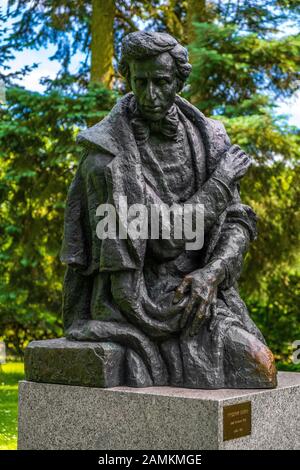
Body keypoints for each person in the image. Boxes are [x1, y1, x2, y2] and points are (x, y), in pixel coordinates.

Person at [60, 32, 277, 388]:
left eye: (161, 82)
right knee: (255, 364)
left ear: (178, 80)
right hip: (142, 300)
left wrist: (213, 273)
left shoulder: (209, 136)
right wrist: (220, 183)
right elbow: (163, 239)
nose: (150, 95)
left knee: (259, 367)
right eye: (140, 82)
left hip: (207, 287)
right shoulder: (104, 160)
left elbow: (237, 220)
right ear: (127, 79)